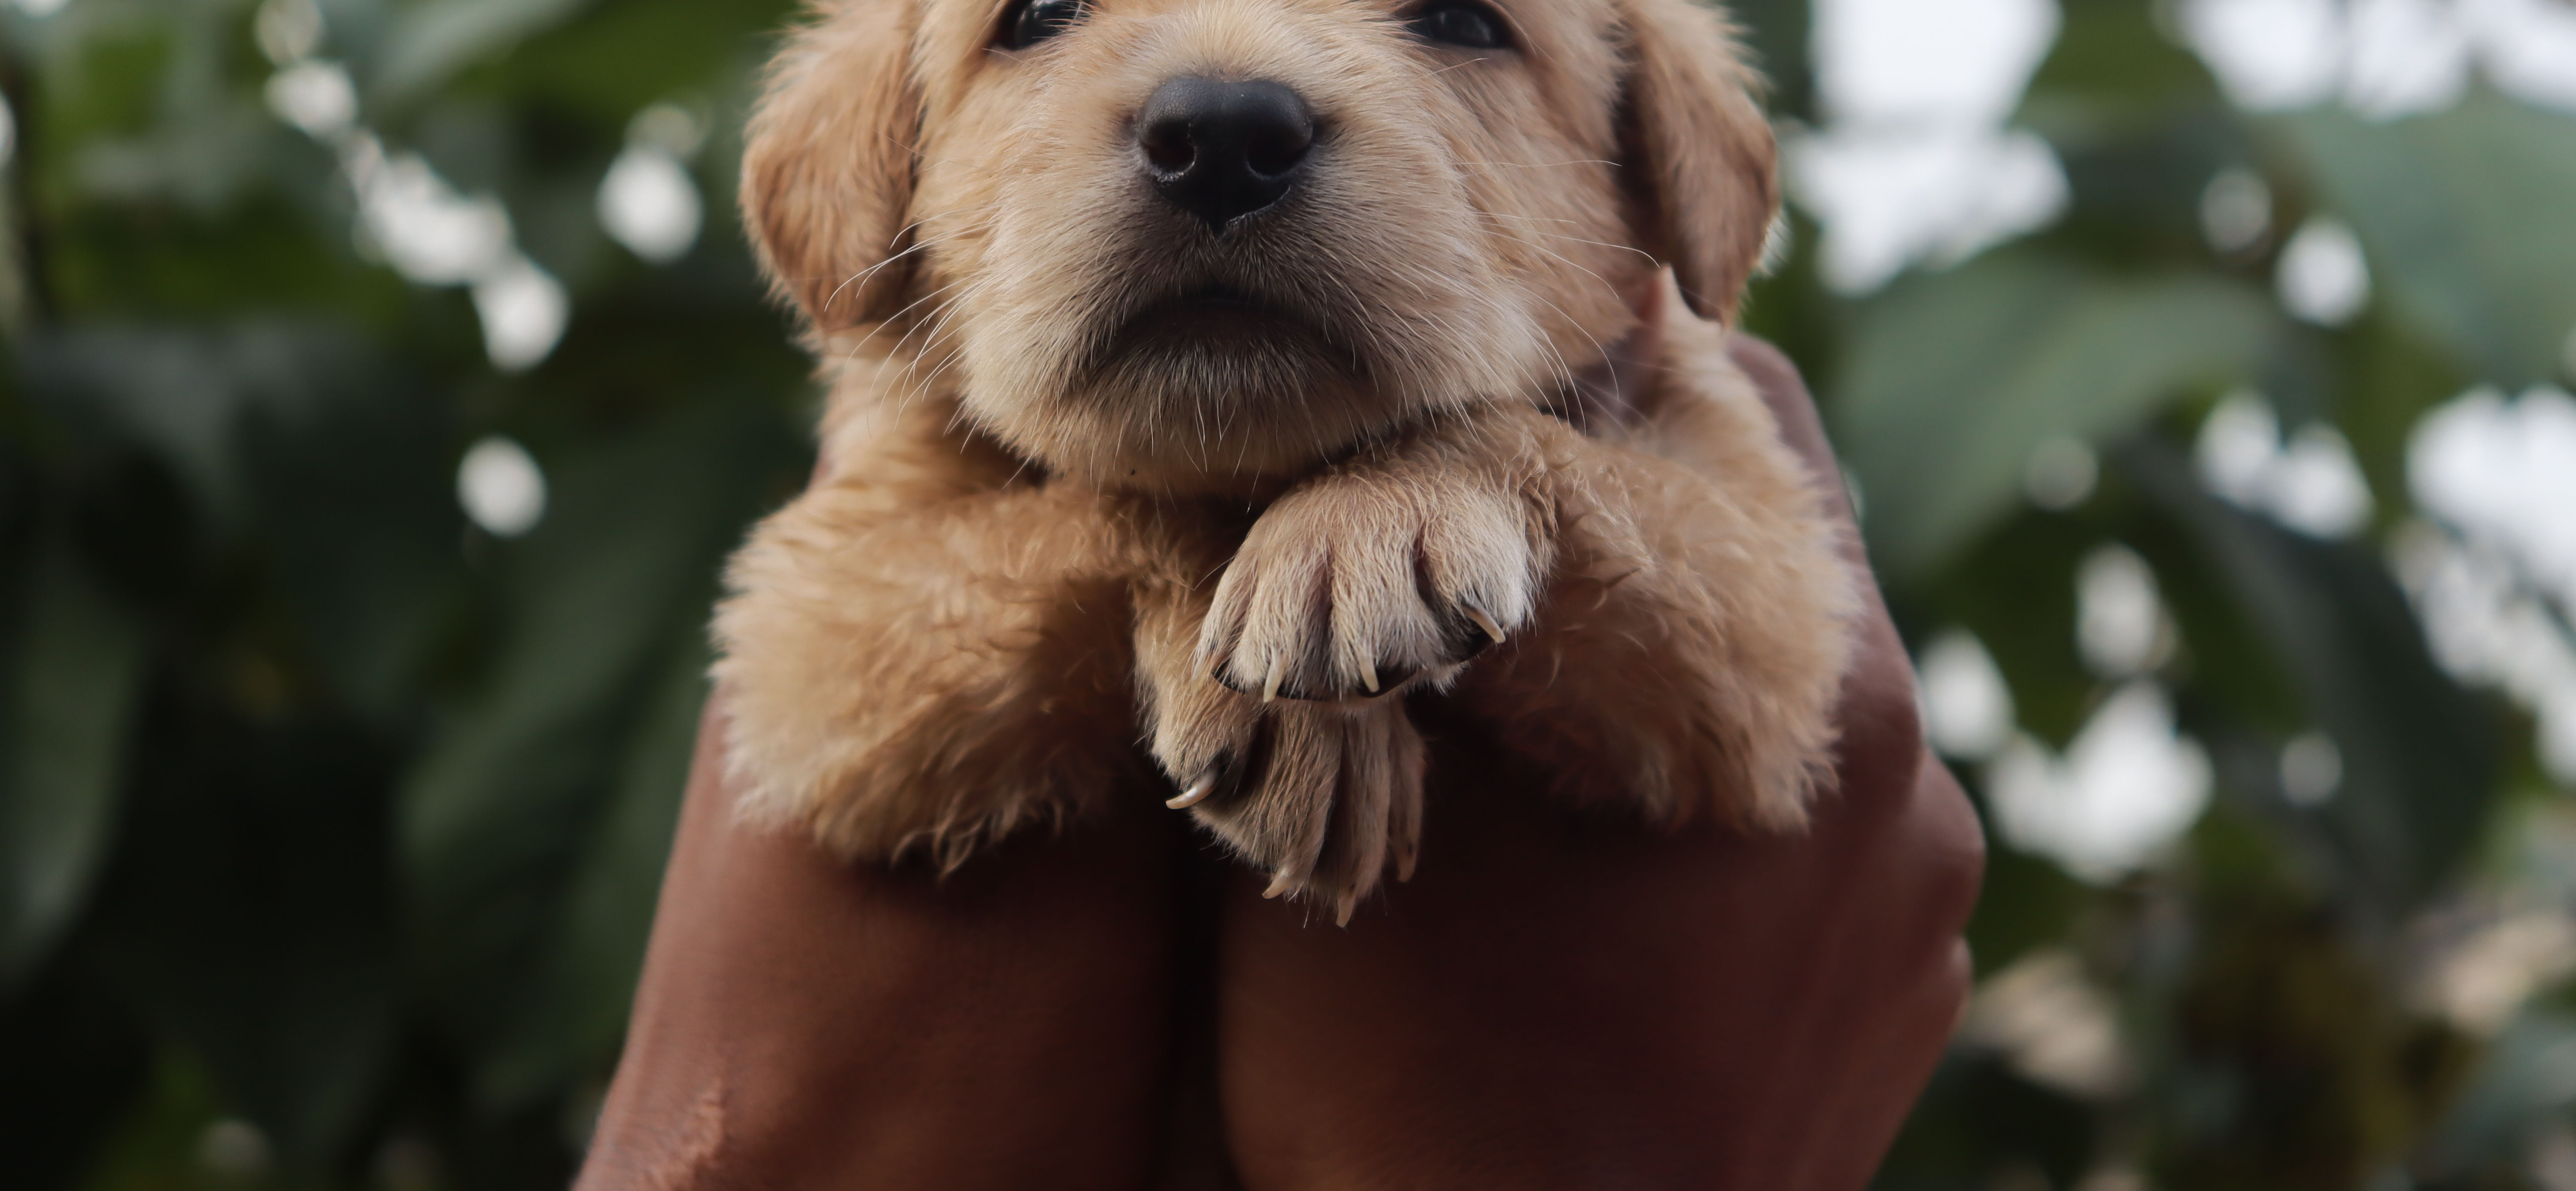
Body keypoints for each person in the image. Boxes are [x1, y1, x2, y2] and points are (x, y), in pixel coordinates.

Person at [574, 338, 1984, 1190]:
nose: (1225, 100)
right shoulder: (923, 391)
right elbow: (823, 711)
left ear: (1653, 166)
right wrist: (1152, 562)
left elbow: (1769, 690)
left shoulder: (1651, 362)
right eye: (1042, 12)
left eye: (1457, 20)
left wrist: (1517, 482)